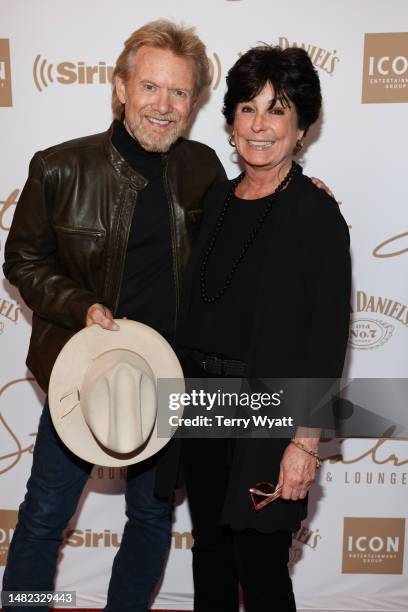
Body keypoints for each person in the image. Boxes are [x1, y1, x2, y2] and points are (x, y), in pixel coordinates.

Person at [1, 20, 226, 612]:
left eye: (180, 93)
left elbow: (241, 244)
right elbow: (22, 258)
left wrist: (301, 193)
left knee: (150, 518)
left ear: (195, 102)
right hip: (83, 373)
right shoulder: (59, 168)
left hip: (169, 380)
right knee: (45, 518)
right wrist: (80, 306)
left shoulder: (203, 169)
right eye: (151, 87)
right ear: (121, 87)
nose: (164, 105)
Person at [176, 45, 351, 611]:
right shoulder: (218, 199)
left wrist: (305, 443)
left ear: (301, 127)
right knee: (211, 555)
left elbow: (326, 339)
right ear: (230, 121)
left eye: (277, 110)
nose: (259, 124)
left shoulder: (316, 215)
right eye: (247, 107)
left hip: (272, 414)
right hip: (204, 404)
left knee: (262, 564)